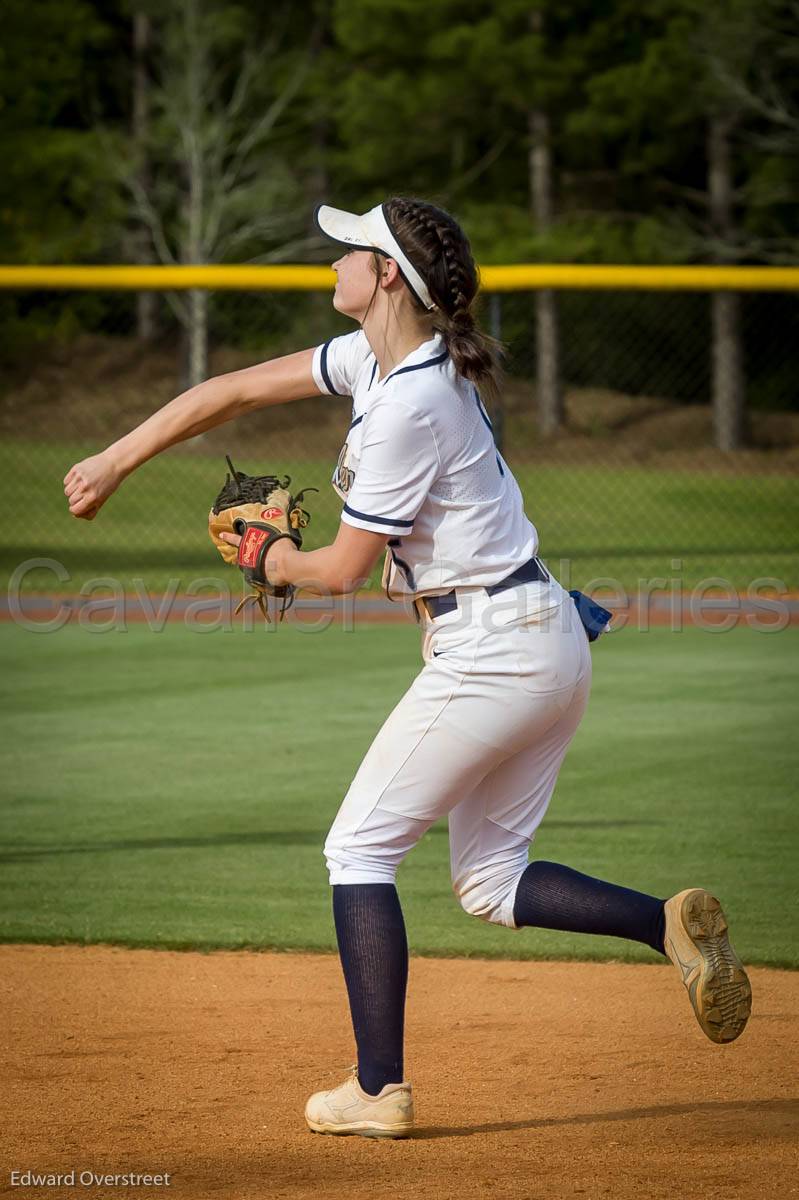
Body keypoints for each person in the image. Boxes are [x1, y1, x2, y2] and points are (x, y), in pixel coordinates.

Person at [64, 197, 752, 1140]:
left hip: (495, 649)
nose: (335, 258)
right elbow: (228, 392)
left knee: (357, 850)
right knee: (488, 882)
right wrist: (117, 457)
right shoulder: (381, 365)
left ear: (387, 274)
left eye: (351, 247)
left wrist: (270, 561)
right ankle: (663, 923)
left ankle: (378, 1089)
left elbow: (343, 570)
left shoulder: (411, 403)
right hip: (538, 633)